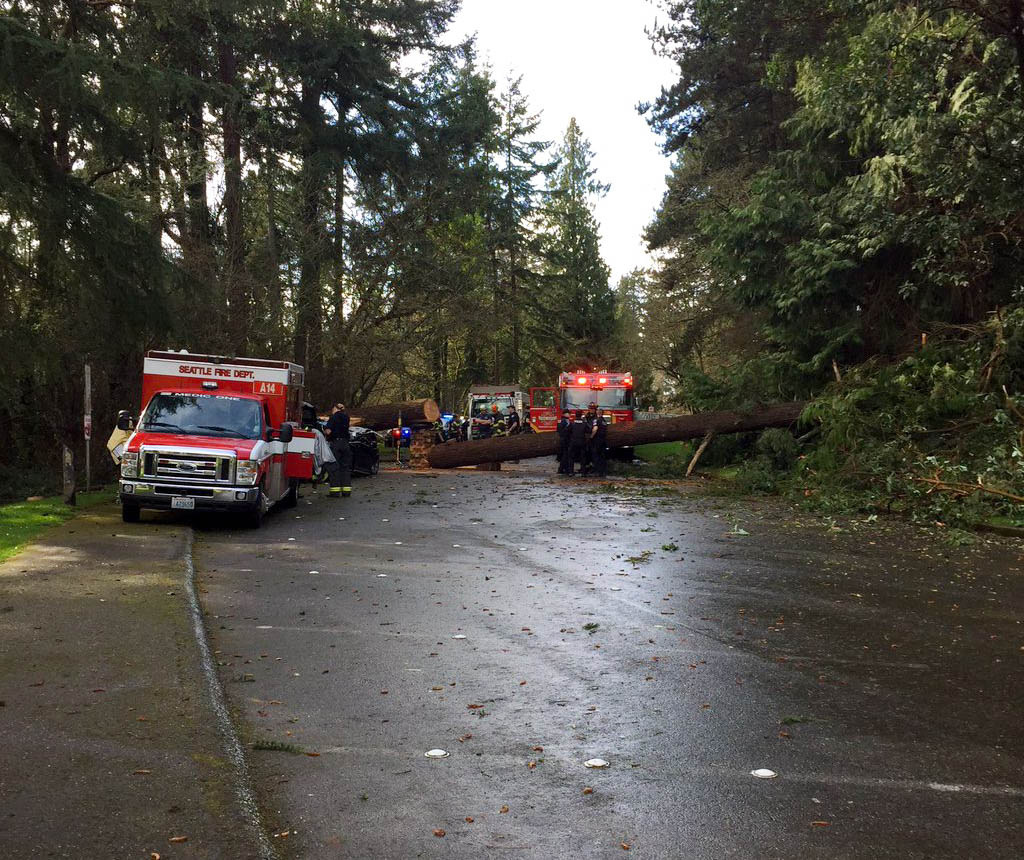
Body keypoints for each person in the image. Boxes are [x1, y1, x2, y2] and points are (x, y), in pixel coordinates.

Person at [324, 402, 352, 497]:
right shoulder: (346, 417)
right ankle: (346, 491)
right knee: (345, 467)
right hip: (345, 444)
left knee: (334, 467)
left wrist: (325, 431)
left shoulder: (334, 417)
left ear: (335, 408)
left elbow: (328, 431)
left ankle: (335, 492)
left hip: (336, 444)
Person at [568, 409, 588, 475]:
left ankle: (571, 472)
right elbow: (589, 430)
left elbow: (567, 430)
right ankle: (583, 472)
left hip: (573, 442)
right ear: (581, 415)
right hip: (582, 442)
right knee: (583, 457)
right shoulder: (584, 423)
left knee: (571, 457)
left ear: (575, 415)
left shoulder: (572, 423)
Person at [589, 408, 609, 477]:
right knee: (602, 456)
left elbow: (595, 429)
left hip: (596, 440)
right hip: (603, 440)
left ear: (597, 413)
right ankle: (603, 471)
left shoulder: (596, 420)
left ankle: (597, 471)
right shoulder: (604, 421)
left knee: (596, 455)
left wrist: (591, 437)